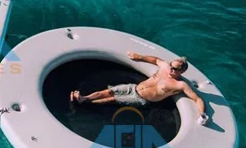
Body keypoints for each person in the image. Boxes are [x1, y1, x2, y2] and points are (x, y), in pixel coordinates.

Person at [70, 52, 209, 125]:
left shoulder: (180, 85)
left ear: (181, 72)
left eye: (174, 69)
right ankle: (84, 98)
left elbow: (197, 99)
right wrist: (139, 56)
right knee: (108, 91)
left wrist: (202, 114)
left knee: (112, 99)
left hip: (141, 99)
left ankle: (85, 104)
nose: (171, 69)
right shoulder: (165, 67)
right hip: (134, 87)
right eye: (171, 65)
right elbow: (156, 60)